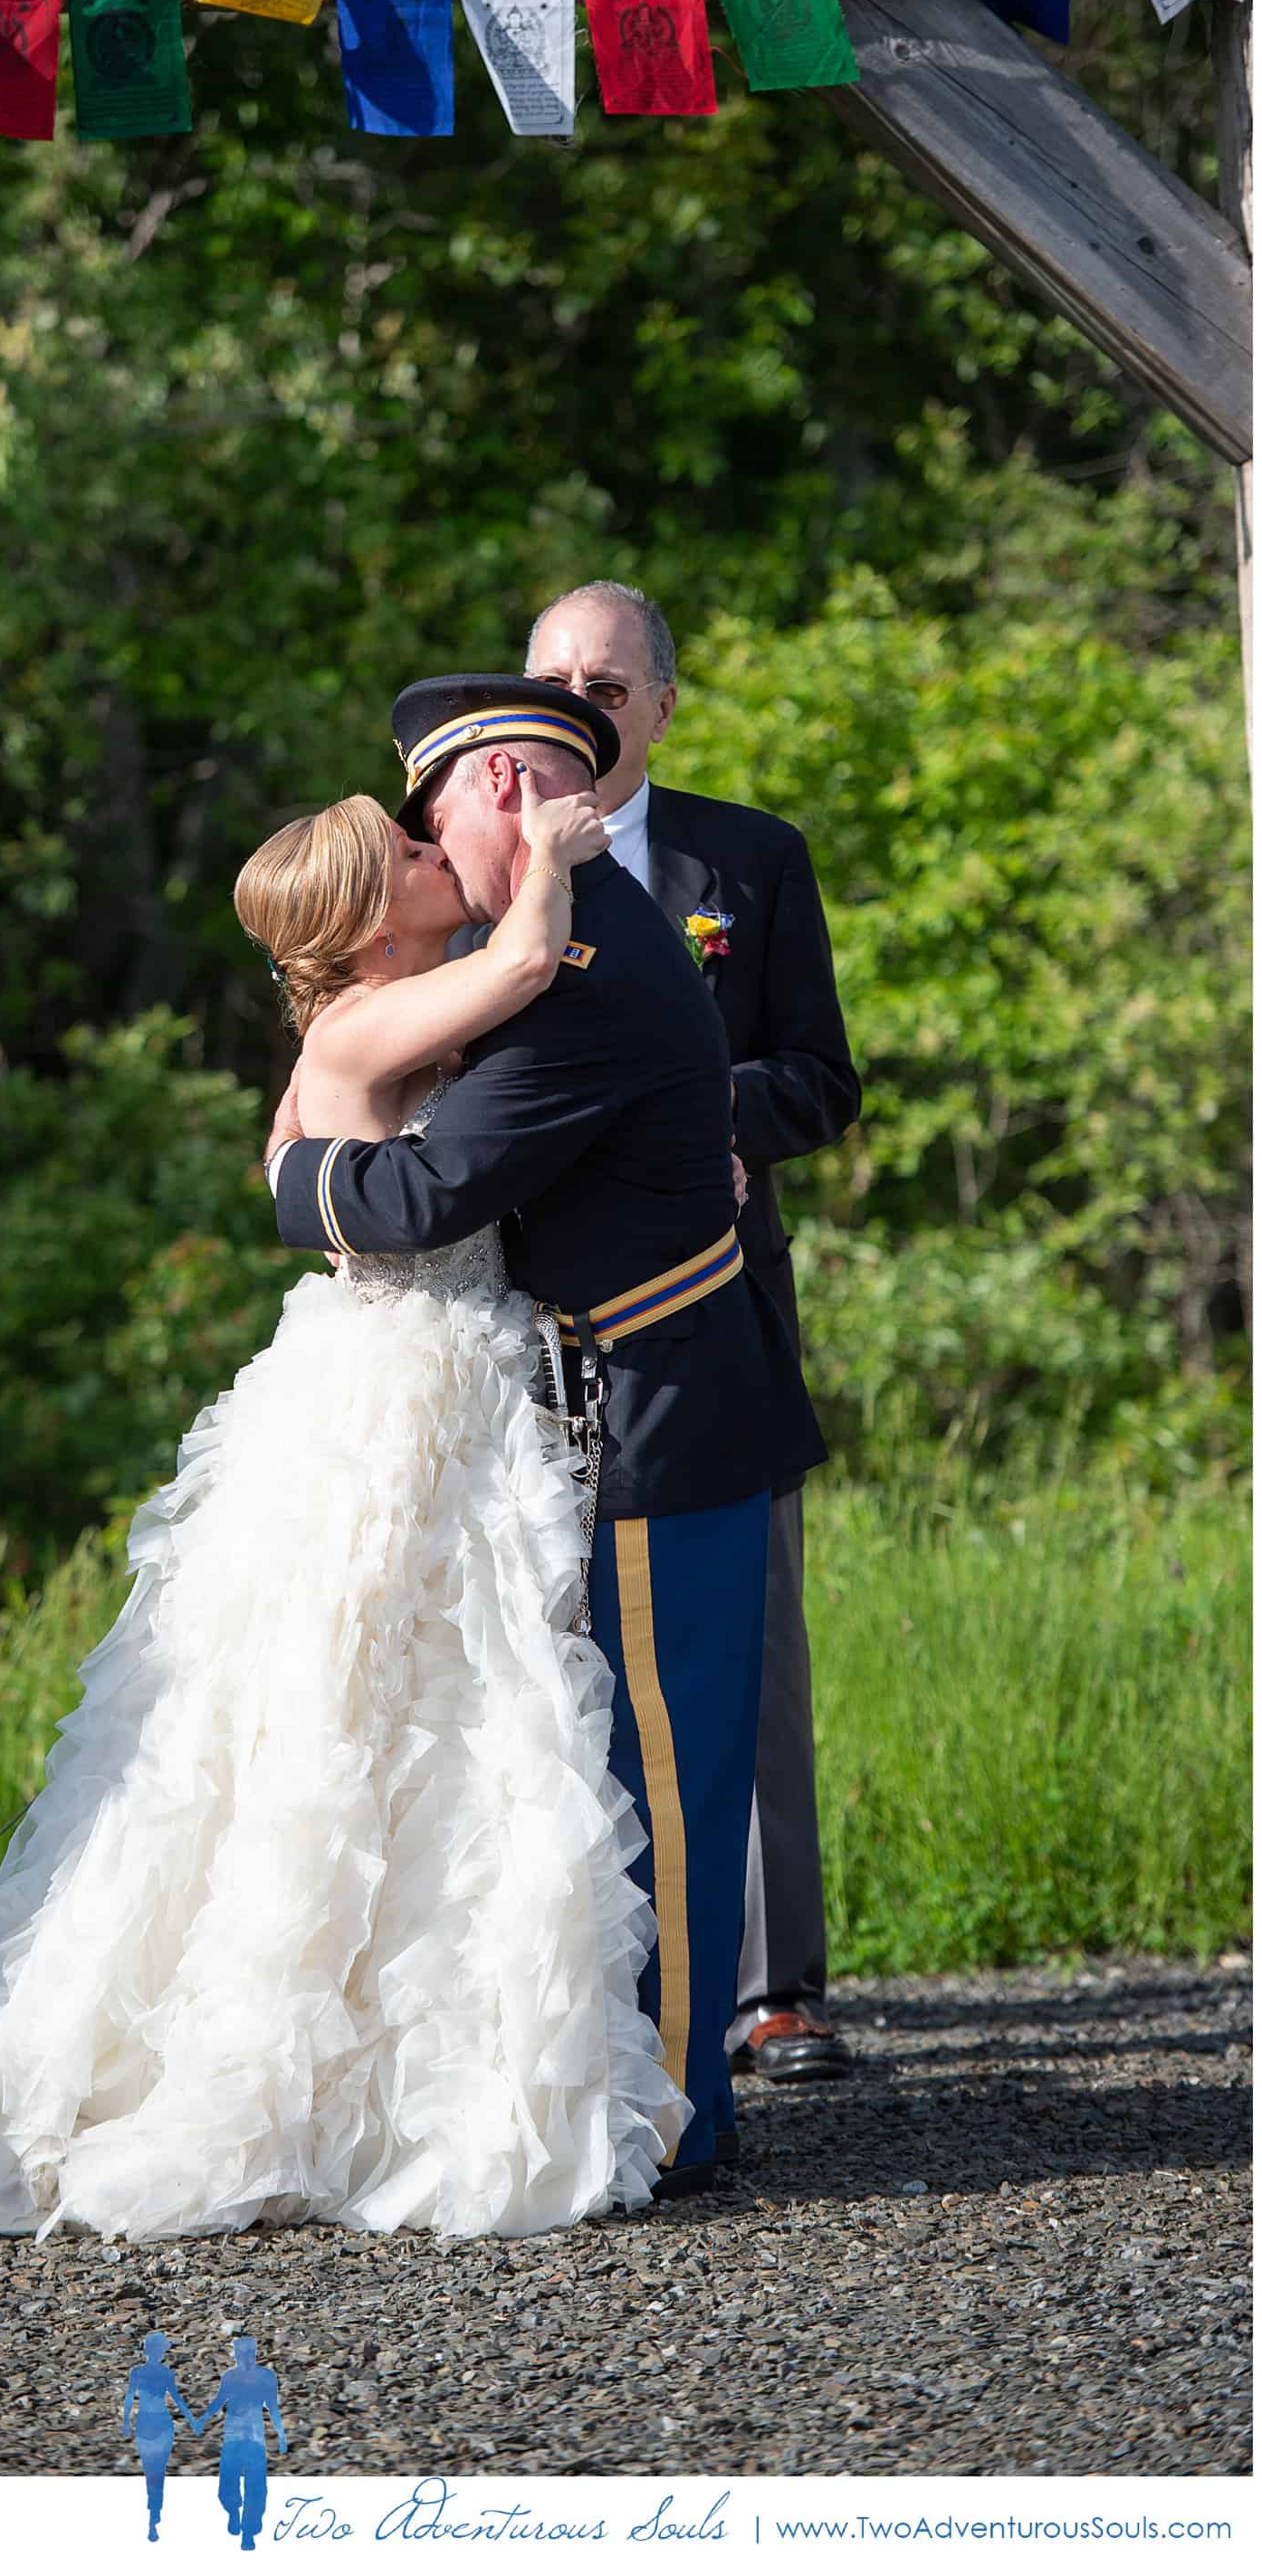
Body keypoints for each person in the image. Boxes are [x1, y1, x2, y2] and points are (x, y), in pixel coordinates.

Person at [0, 776, 691, 2252]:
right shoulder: (363, 1022)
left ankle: (399, 2057)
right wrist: (567, 853)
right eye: (401, 850)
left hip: (438, 1377)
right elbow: (523, 968)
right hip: (397, 1391)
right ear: (361, 911)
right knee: (355, 1713)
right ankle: (291, 2074)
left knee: (435, 1718)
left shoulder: (372, 1020)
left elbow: (329, 1150)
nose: (426, 844)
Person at [266, 674, 828, 2193]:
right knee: (622, 1777)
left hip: (659, 1423)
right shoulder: (559, 955)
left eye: (430, 809)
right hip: (627, 1413)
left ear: (499, 790)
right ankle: (637, 2090)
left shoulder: (572, 974)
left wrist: (286, 1177)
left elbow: (420, 1199)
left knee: (669, 1786)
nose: (421, 837)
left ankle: (676, 2114)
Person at [523, 582, 862, 2087]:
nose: (578, 703)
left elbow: (820, 1079)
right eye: (550, 678)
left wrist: (700, 1120)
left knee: (746, 1649)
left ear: (664, 703)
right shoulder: (473, 855)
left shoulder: (750, 861)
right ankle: (565, 1980)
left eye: (606, 680)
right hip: (529, 1317)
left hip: (716, 1312)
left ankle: (766, 1985)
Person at [196, 2335, 287, 2551]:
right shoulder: (231, 2377)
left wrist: (281, 2434)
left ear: (254, 2353)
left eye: (248, 2353)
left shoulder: (265, 2377)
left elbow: (272, 2406)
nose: (244, 2357)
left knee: (255, 2485)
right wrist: (203, 2419)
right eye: (240, 2353)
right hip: (235, 2434)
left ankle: (248, 2531)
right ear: (236, 2354)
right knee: (230, 2481)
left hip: (253, 2435)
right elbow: (220, 2400)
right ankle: (234, 2512)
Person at [122, 2330, 198, 2543]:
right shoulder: (165, 2372)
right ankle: (155, 2513)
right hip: (161, 2421)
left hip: (146, 2420)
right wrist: (192, 2419)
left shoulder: (137, 2372)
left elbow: (130, 2398)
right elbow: (176, 2398)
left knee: (151, 2467)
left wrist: (125, 2423)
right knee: (159, 2468)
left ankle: (153, 2513)